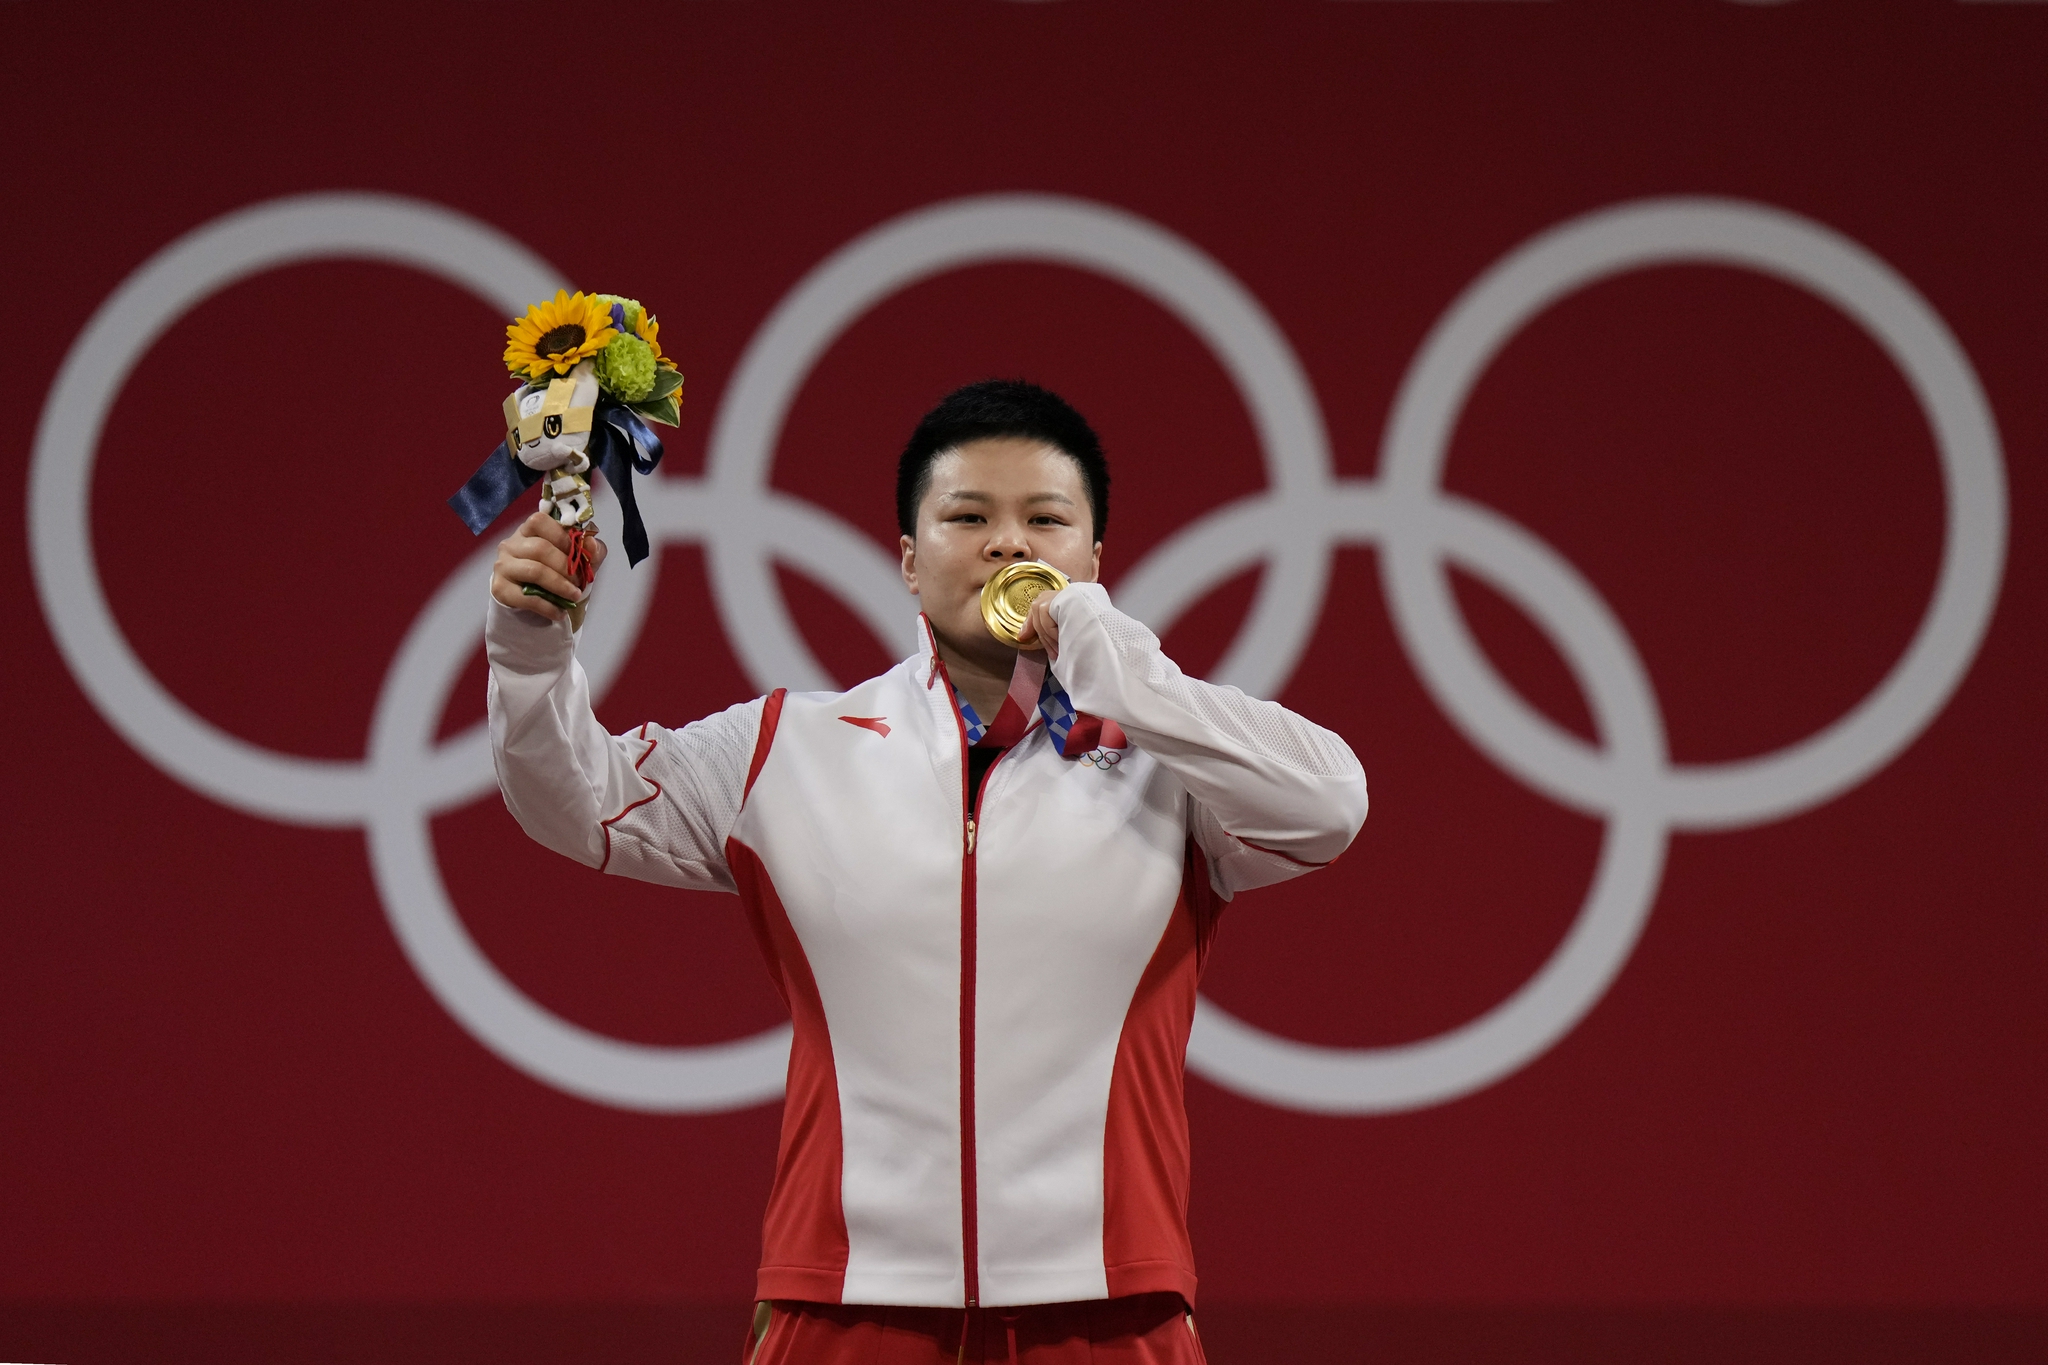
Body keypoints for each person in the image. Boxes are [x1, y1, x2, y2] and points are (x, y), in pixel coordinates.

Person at [486, 380, 1368, 1363]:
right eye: (966, 517)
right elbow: (577, 801)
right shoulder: (787, 748)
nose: (1006, 544)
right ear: (906, 561)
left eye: (1044, 519)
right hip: (841, 1306)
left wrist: (1126, 678)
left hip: (1109, 1310)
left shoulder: (1177, 763)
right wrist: (530, 652)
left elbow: (1330, 803)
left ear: (1092, 561)